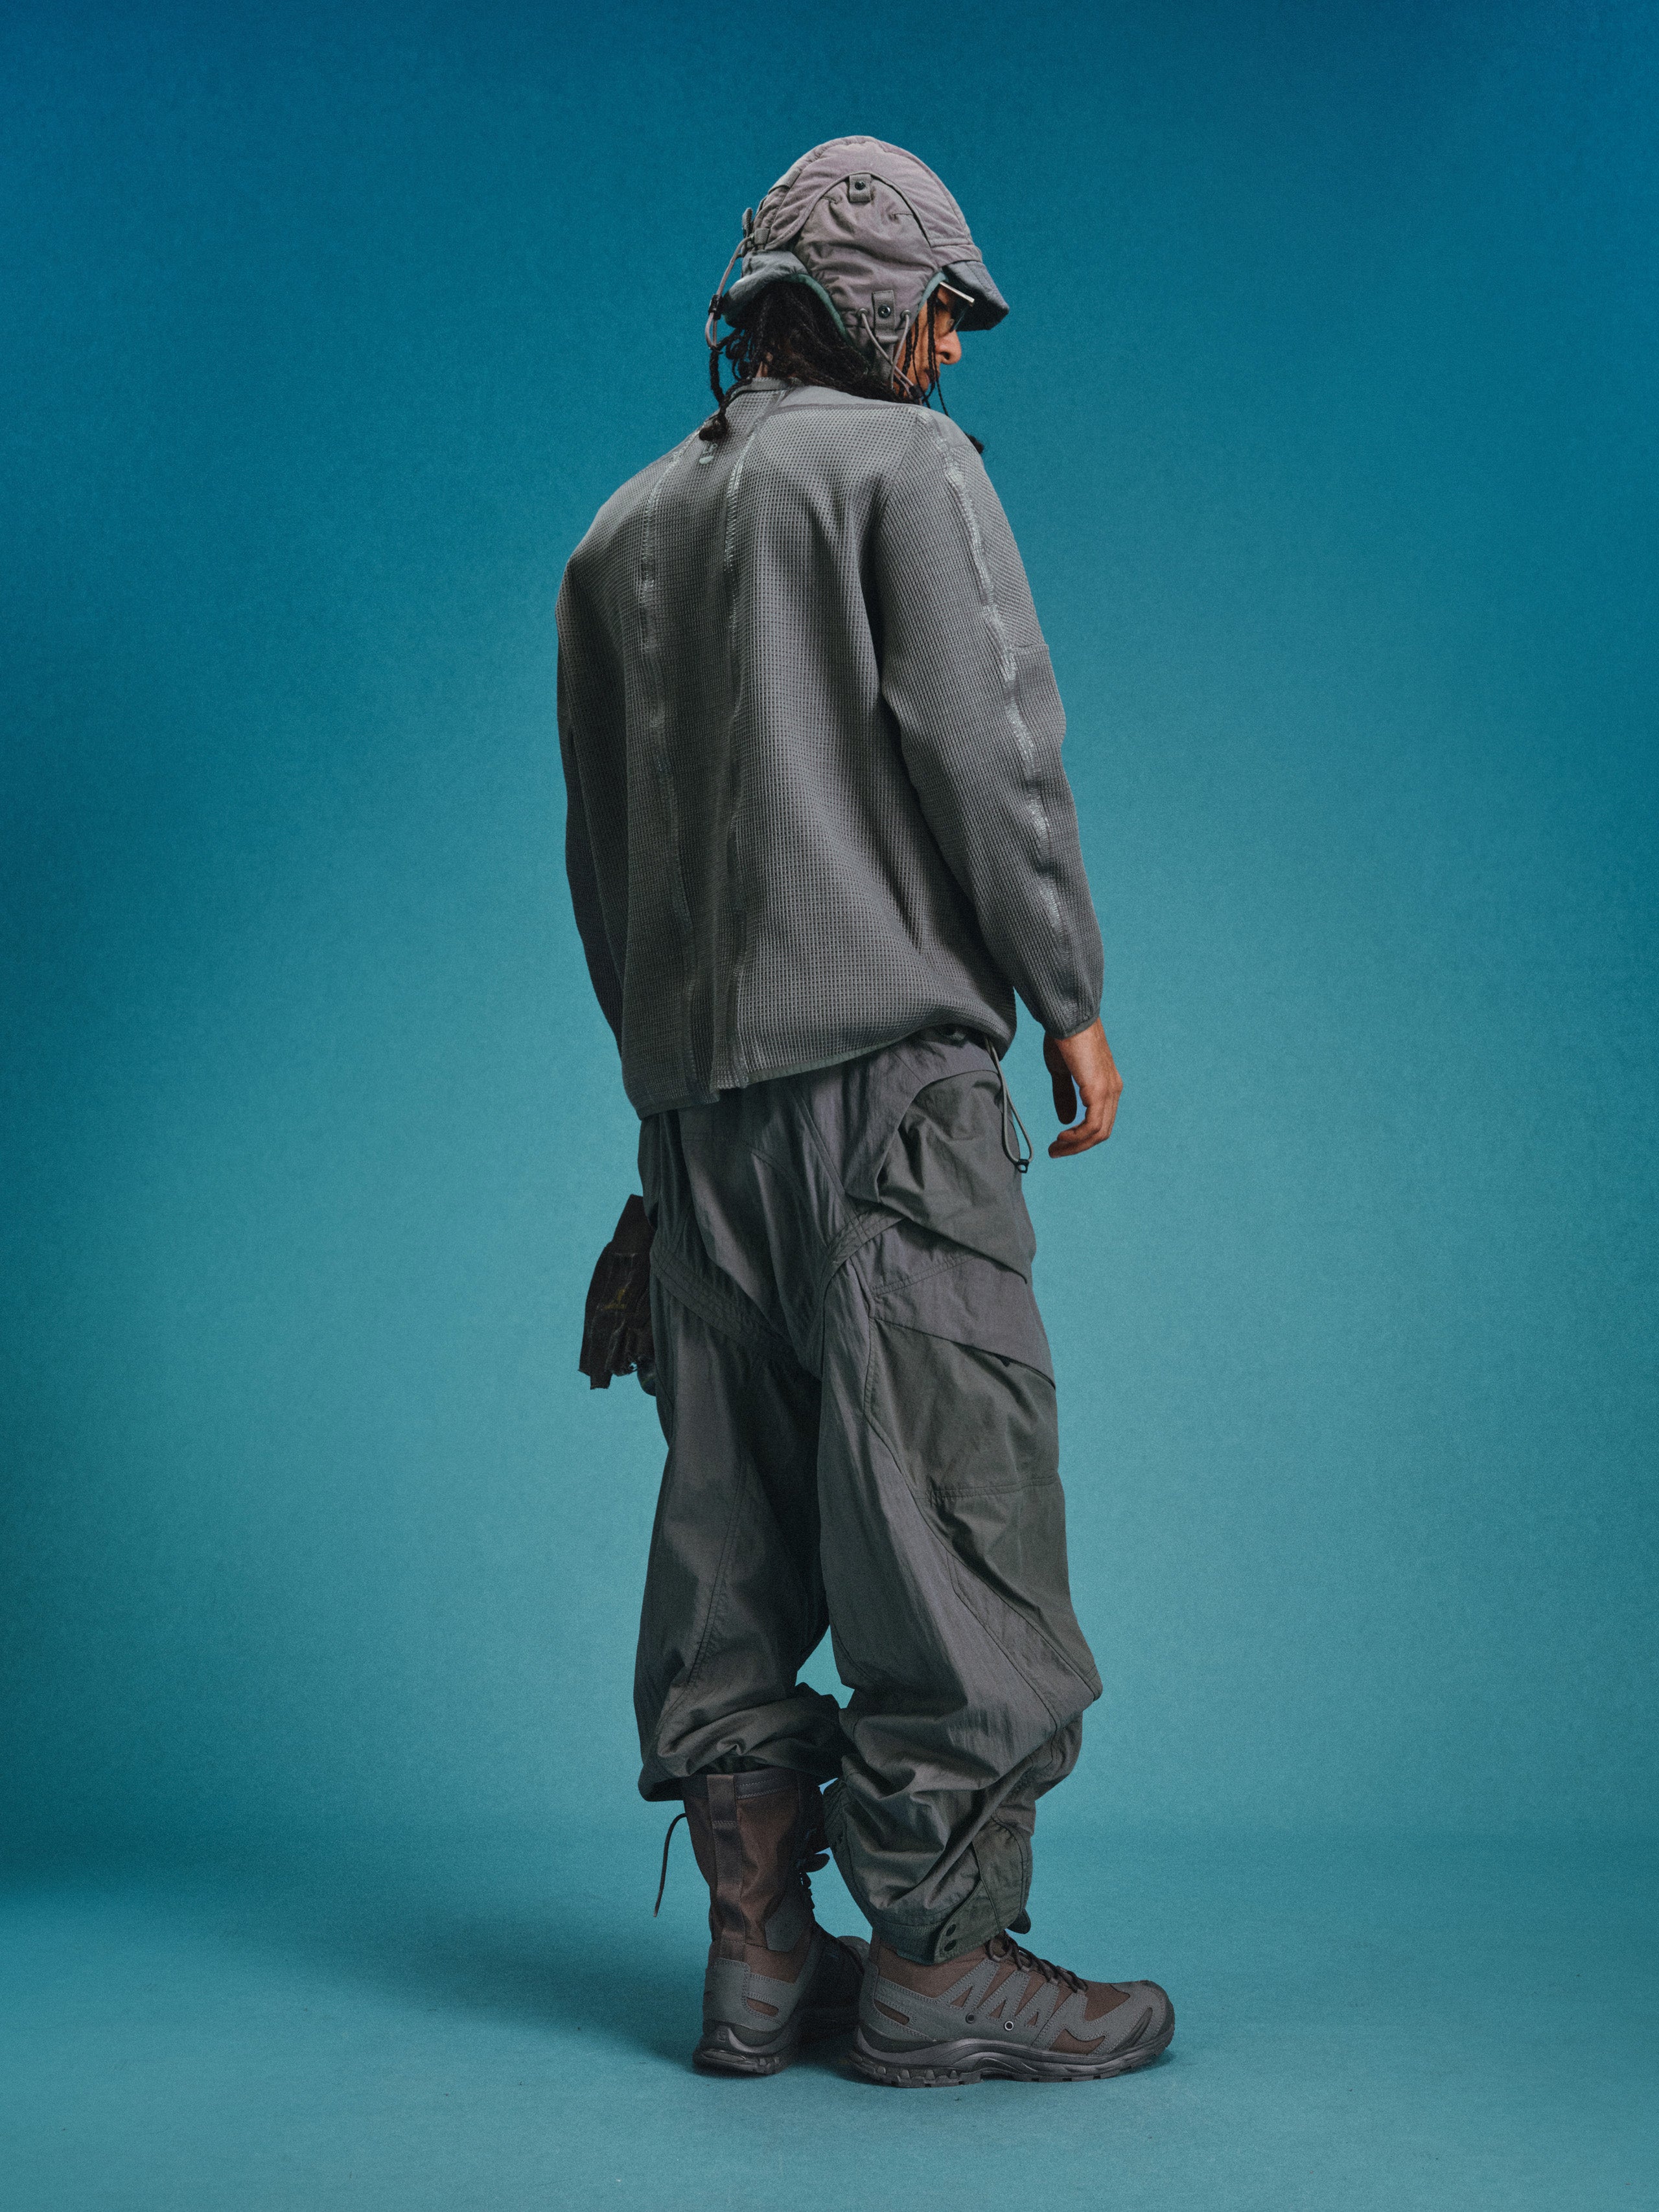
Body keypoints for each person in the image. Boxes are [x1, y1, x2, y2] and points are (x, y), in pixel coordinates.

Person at [556, 135, 1173, 2088]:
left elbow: (604, 863)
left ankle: (757, 1963)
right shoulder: (909, 475)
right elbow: (990, 753)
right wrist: (1068, 995)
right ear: (863, 300)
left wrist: (666, 1104)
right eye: (939, 312)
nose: (954, 355)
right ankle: (937, 1964)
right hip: (894, 1102)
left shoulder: (618, 537)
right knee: (950, 1514)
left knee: (730, 1531)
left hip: (694, 1126)